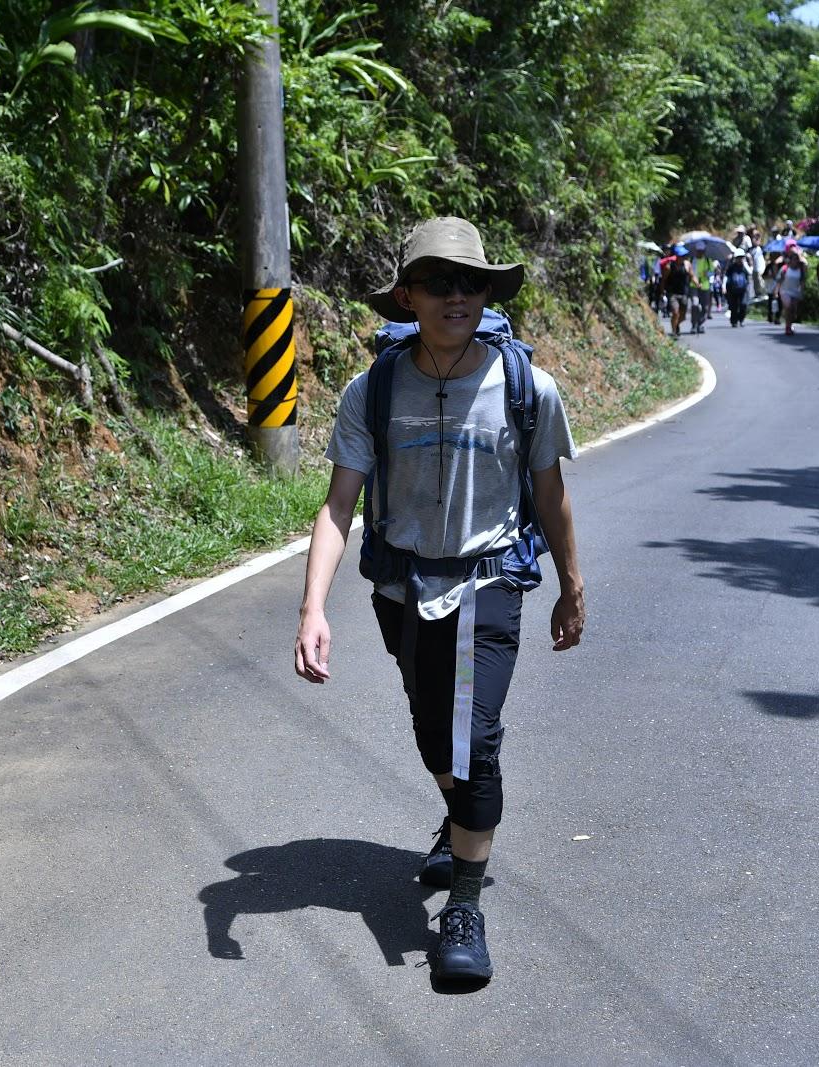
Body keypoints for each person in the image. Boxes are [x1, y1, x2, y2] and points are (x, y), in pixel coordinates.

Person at [295, 217, 584, 984]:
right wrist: (312, 608)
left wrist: (571, 585)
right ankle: (458, 821)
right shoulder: (374, 390)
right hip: (403, 585)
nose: (457, 295)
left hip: (489, 581)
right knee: (436, 735)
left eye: (471, 282)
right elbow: (339, 505)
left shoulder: (526, 387)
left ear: (487, 292)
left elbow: (550, 494)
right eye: (438, 282)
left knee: (473, 739)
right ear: (407, 296)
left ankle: (464, 906)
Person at [663, 243, 695, 336]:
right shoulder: (669, 266)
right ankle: (674, 332)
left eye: (685, 256)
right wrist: (662, 291)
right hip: (672, 293)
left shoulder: (687, 265)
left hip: (684, 293)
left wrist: (697, 284)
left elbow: (692, 276)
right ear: (677, 256)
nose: (684, 257)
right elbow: (664, 279)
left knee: (683, 316)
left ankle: (676, 324)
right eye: (682, 256)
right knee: (675, 312)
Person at [777, 247, 806, 335]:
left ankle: (790, 324)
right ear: (790, 260)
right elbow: (780, 280)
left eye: (796, 259)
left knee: (793, 310)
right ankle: (787, 327)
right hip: (785, 291)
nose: (795, 261)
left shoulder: (800, 270)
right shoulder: (785, 269)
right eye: (793, 259)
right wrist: (776, 291)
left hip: (795, 292)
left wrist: (801, 292)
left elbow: (802, 282)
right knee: (788, 307)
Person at [723, 251, 751, 327]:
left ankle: (741, 320)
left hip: (743, 289)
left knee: (743, 305)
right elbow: (726, 276)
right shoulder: (731, 267)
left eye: (741, 258)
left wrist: (745, 264)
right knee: (733, 306)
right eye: (738, 258)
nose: (740, 259)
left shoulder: (745, 267)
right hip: (732, 289)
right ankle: (734, 321)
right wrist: (724, 286)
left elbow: (750, 272)